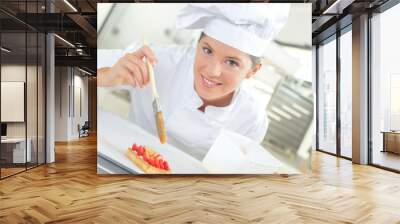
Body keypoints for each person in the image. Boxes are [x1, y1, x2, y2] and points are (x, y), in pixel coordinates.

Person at [97, 3, 290, 160]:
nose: (213, 71)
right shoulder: (158, 61)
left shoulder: (251, 120)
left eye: (232, 62)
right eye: (207, 50)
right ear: (197, 45)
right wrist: (105, 76)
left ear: (253, 71)